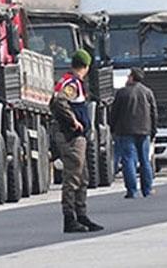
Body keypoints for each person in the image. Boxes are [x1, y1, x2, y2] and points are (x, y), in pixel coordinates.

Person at [50, 49, 104, 233]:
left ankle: (81, 215)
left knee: (82, 177)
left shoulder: (70, 81)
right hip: (71, 136)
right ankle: (69, 218)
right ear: (86, 66)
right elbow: (59, 102)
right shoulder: (72, 83)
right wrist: (73, 120)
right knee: (73, 177)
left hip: (75, 137)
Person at [110, 67, 157, 198]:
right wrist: (153, 130)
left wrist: (112, 127)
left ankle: (132, 190)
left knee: (128, 160)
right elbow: (154, 113)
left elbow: (114, 112)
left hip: (125, 131)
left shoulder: (122, 93)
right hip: (144, 130)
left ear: (132, 77)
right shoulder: (148, 92)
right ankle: (147, 189)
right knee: (144, 160)